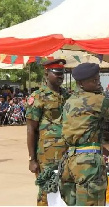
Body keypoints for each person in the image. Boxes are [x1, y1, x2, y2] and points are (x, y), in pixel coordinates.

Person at [59, 63, 109, 206]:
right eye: (94, 80)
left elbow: (85, 137)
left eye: (98, 79)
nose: (98, 83)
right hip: (88, 165)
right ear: (81, 83)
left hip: (69, 161)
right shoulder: (97, 100)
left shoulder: (69, 102)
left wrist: (108, 153)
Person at [26, 59, 70, 206]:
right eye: (57, 73)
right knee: (46, 191)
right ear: (46, 73)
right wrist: (32, 159)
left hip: (68, 153)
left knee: (66, 190)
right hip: (47, 155)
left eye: (62, 73)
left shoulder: (67, 95)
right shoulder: (38, 97)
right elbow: (31, 129)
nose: (60, 77)